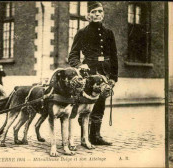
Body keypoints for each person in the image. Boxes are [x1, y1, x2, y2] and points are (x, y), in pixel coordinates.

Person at [68, 1, 118, 146]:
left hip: (105, 72)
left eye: (99, 12)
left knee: (100, 102)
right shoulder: (82, 33)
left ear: (103, 14)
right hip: (88, 73)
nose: (97, 14)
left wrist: (114, 77)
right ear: (88, 15)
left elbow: (114, 56)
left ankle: (95, 135)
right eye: (94, 12)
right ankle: (85, 136)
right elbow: (73, 55)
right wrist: (79, 65)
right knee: (85, 104)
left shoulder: (109, 33)